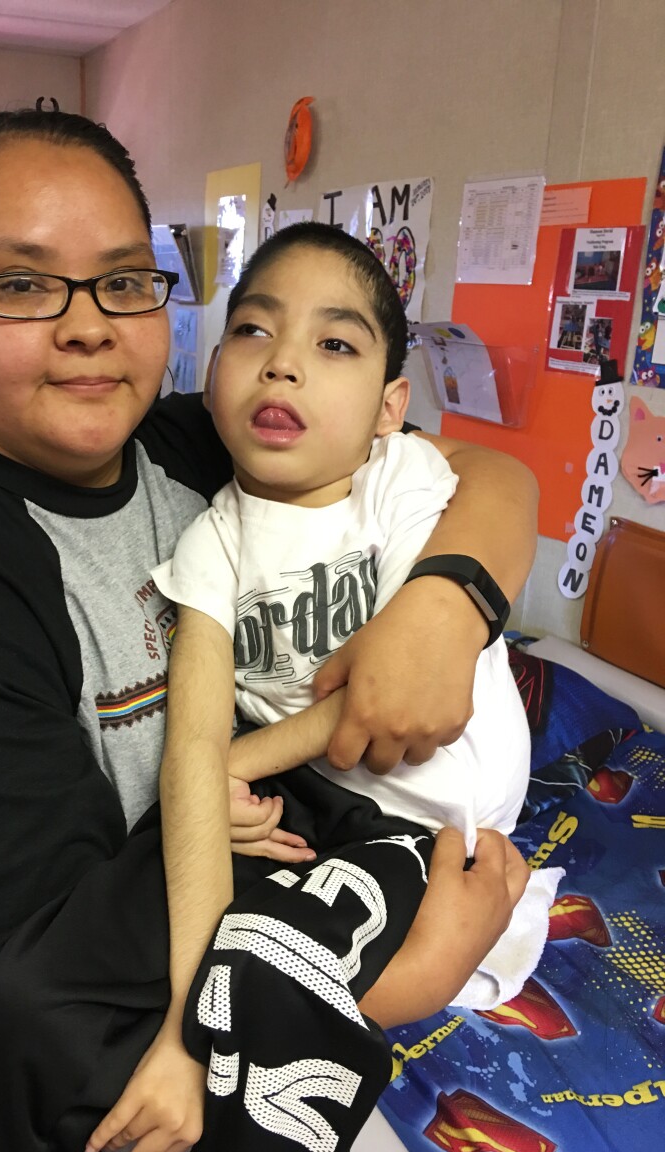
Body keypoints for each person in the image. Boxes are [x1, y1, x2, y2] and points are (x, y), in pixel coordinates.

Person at [0, 108, 538, 1152]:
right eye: (19, 283)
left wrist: (446, 600)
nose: (86, 326)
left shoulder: (196, 441)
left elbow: (486, 475)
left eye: (120, 280)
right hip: (84, 1096)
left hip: (253, 984)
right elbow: (59, 984)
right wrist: (407, 976)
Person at [151, 220, 561, 1013]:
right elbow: (192, 740)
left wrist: (232, 766)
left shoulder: (400, 481)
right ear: (211, 379)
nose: (283, 362)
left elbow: (389, 689)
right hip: (336, 815)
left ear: (390, 407)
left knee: (305, 989)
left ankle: (419, 978)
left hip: (446, 807)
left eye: (335, 344)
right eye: (252, 329)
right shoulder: (211, 539)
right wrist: (211, 781)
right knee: (211, 948)